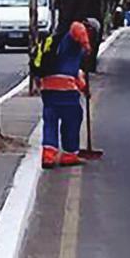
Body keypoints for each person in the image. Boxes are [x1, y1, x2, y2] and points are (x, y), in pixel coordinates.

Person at [39, 19, 91, 170]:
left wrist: (84, 89)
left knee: (50, 123)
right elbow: (76, 26)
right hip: (65, 90)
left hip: (48, 89)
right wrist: (86, 45)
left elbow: (75, 73)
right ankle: (69, 154)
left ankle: (48, 156)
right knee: (72, 121)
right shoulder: (71, 38)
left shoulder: (57, 45)